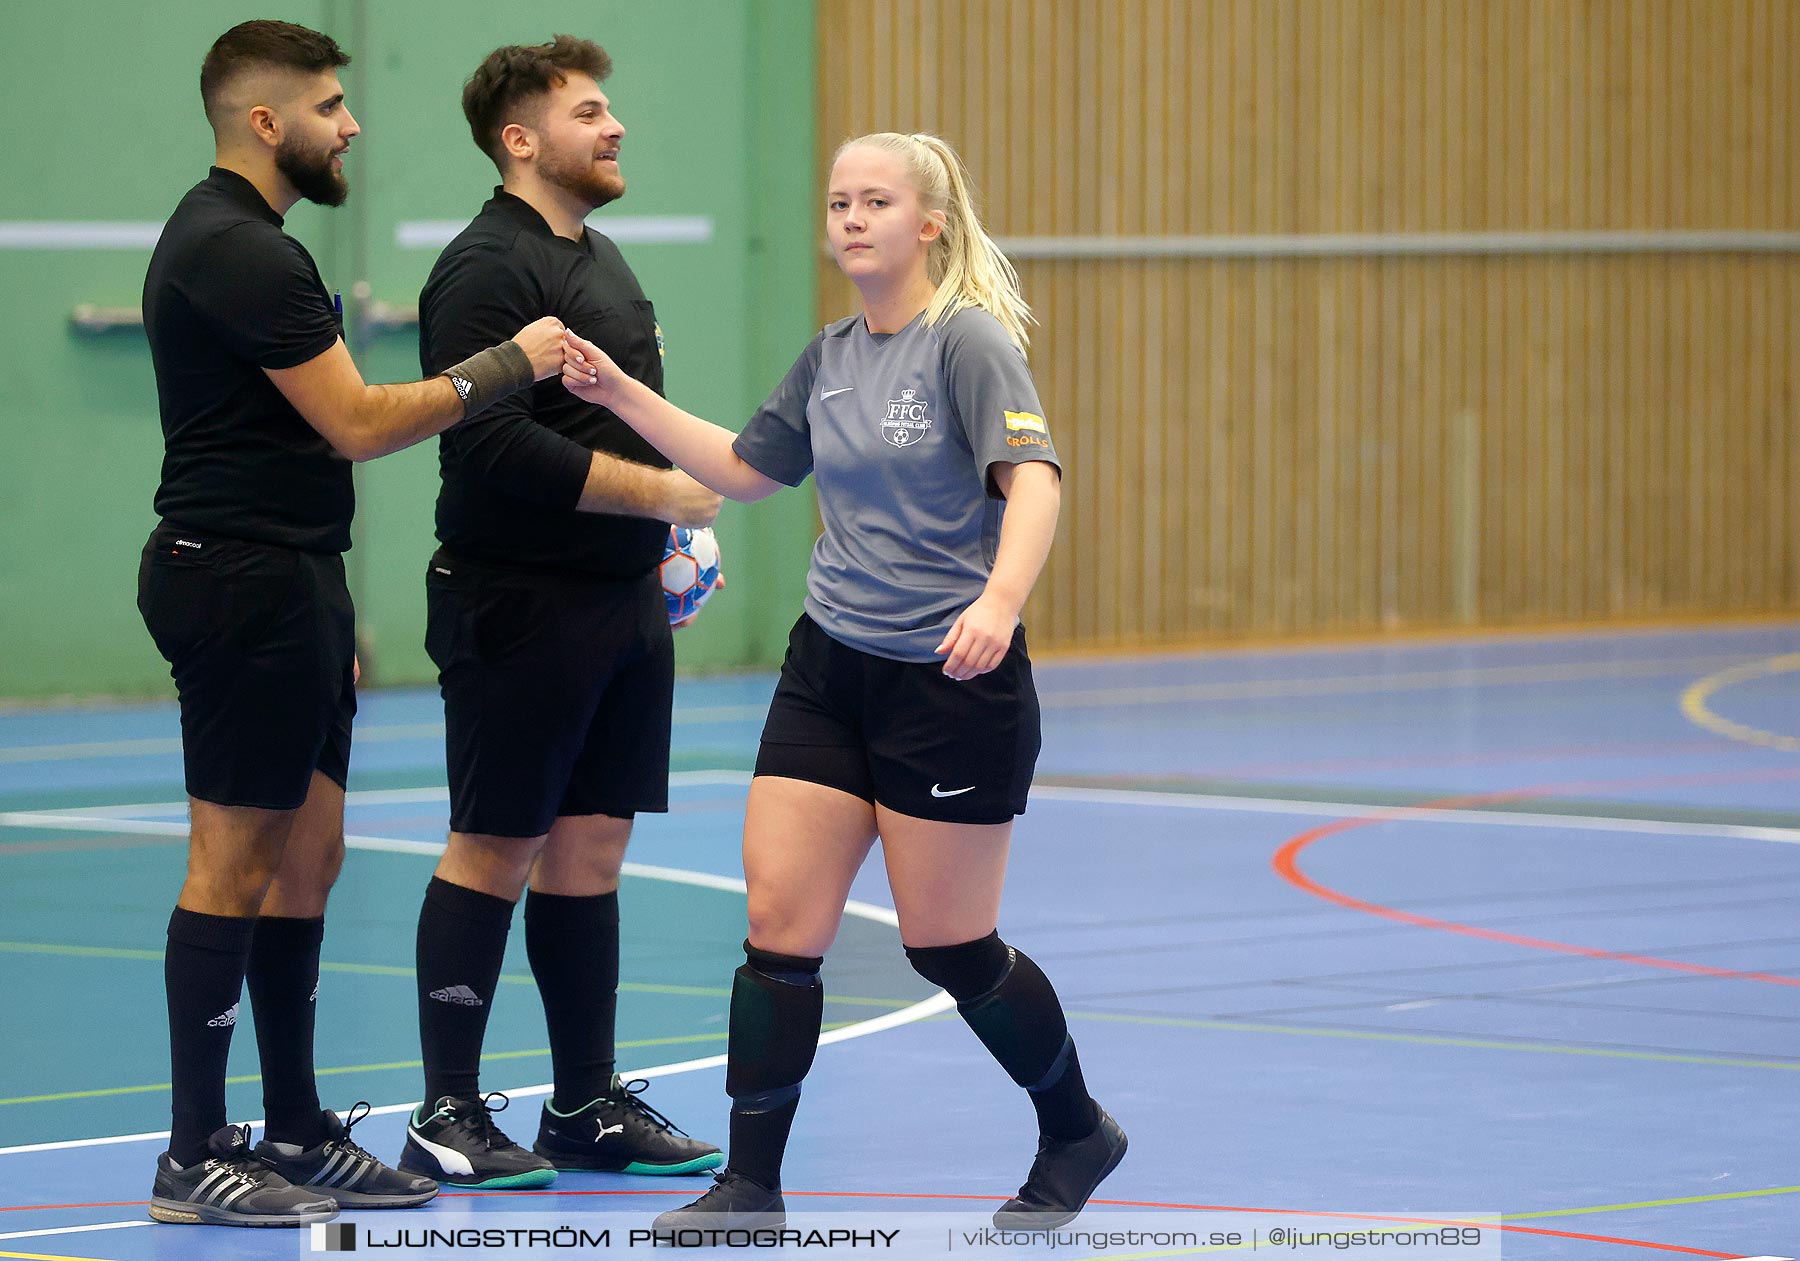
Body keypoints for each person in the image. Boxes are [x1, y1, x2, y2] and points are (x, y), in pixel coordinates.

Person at [561, 131, 1127, 1229]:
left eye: (877, 201)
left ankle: (1075, 1129)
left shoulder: (967, 345)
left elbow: (1038, 482)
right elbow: (743, 469)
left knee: (947, 945)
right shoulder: (829, 356)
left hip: (949, 682)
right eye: (839, 203)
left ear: (929, 225)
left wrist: (999, 602)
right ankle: (751, 1187)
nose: (853, 217)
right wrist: (622, 391)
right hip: (830, 669)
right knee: (779, 922)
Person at [137, 19, 565, 1228]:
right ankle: (189, 1151)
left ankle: (293, 1125)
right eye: (331, 104)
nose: (353, 124)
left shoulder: (253, 241)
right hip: (240, 583)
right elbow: (363, 420)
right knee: (234, 859)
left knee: (306, 859)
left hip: (292, 581)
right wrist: (507, 366)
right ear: (266, 123)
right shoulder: (236, 249)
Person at [396, 35, 724, 1192]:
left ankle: (583, 1100)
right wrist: (660, 493)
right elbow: (485, 441)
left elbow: (619, 425)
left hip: (619, 602)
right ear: (521, 139)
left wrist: (676, 533)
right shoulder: (486, 267)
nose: (616, 126)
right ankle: (446, 1110)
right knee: (495, 845)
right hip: (517, 602)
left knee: (591, 849)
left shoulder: (606, 259)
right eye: (591, 112)